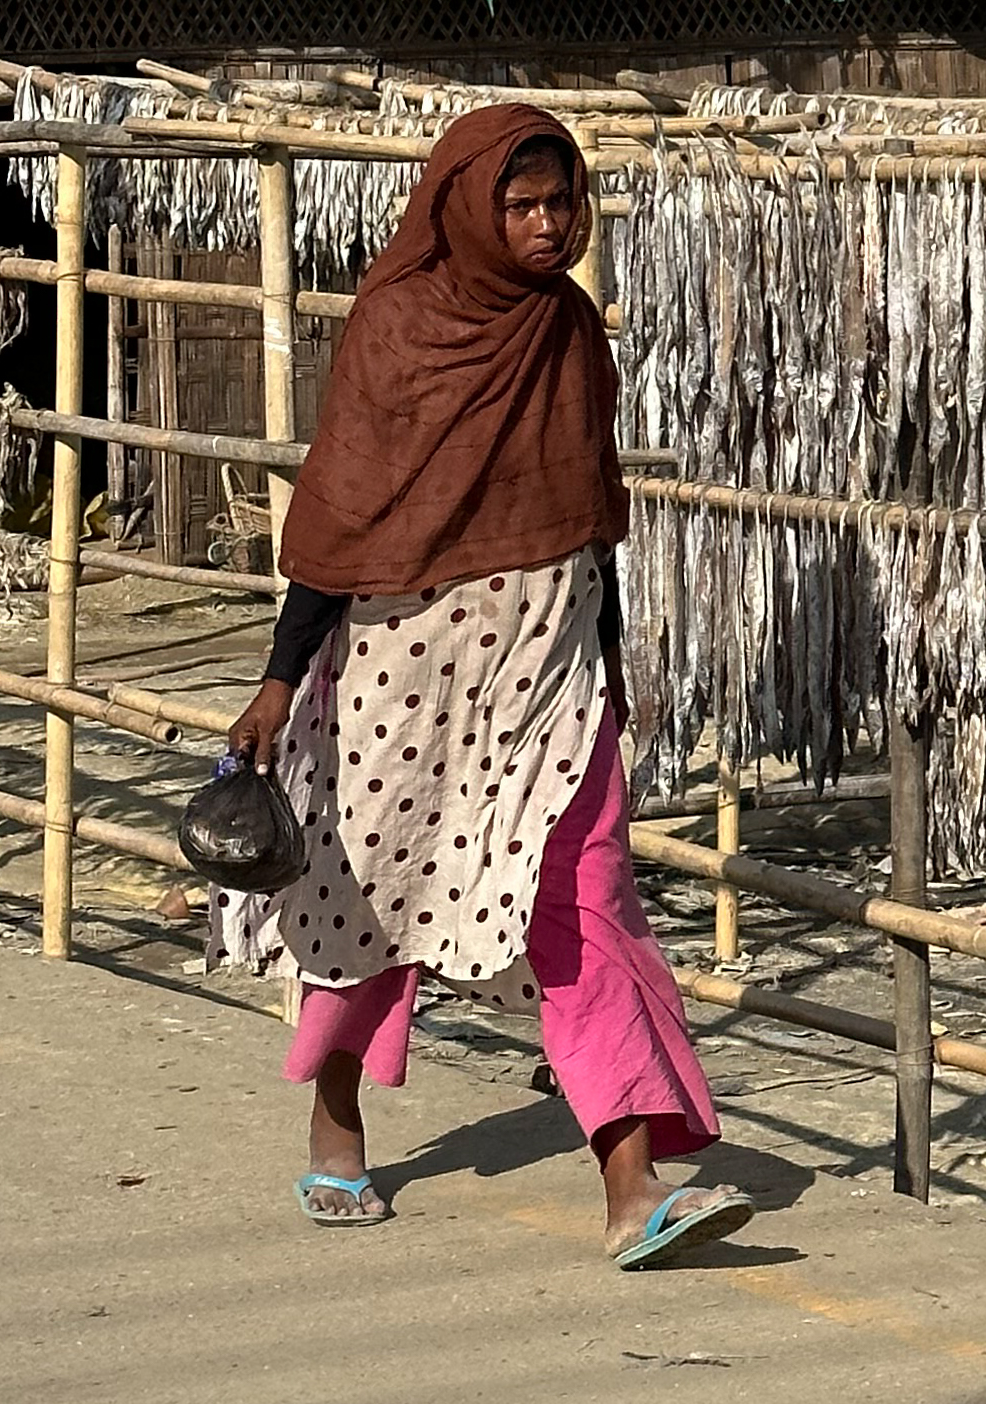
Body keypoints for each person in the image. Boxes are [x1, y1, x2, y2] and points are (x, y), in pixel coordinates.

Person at [222, 104, 750, 1271]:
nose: (550, 225)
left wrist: (609, 672)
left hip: (546, 667)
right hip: (398, 669)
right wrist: (278, 676)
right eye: (524, 204)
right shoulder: (396, 325)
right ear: (468, 203)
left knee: (588, 904)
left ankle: (633, 1191)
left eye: (563, 202)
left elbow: (588, 519)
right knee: (374, 904)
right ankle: (338, 1110)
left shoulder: (568, 333)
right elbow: (344, 510)